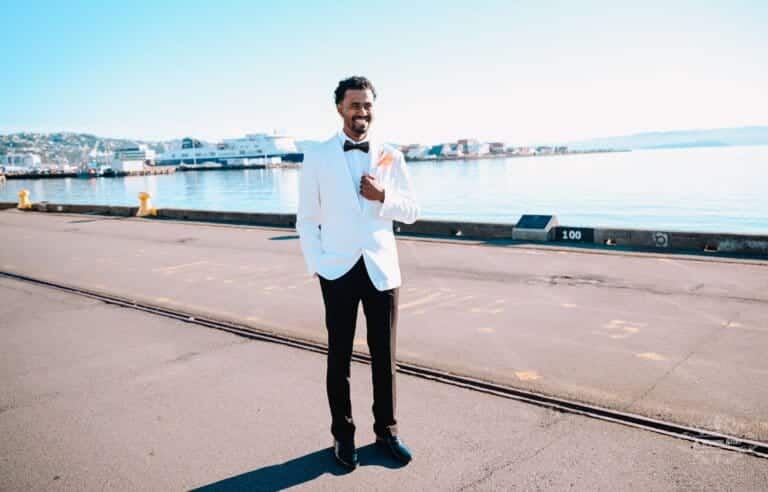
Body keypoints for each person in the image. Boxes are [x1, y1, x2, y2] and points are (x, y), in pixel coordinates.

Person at [296, 76, 419, 470]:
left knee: (385, 358)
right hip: (338, 270)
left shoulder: (392, 156)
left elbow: (412, 212)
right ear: (339, 109)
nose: (361, 112)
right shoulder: (317, 156)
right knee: (339, 358)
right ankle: (343, 436)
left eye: (367, 105)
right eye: (354, 105)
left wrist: (383, 197)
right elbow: (306, 219)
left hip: (381, 270)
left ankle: (387, 431)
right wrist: (319, 264)